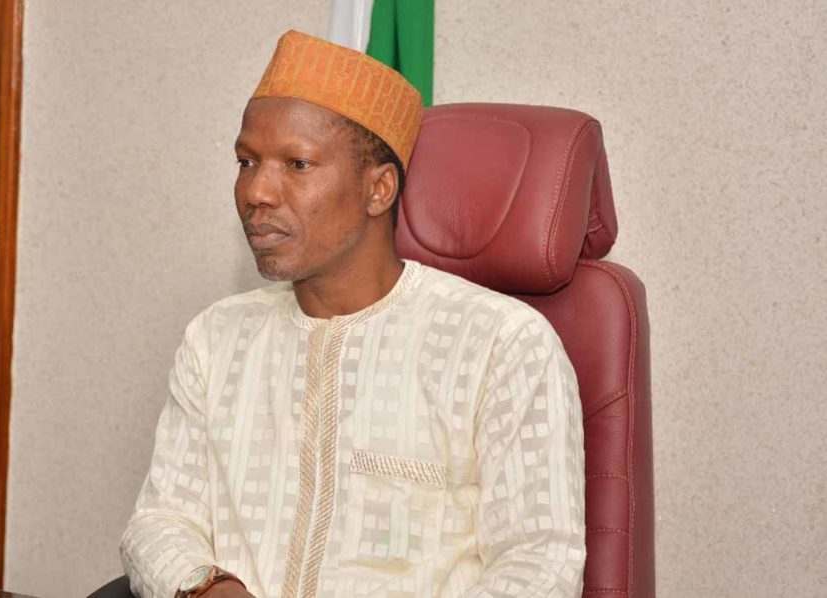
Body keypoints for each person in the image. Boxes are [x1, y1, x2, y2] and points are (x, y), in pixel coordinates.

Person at [119, 30, 585, 598]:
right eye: (246, 161)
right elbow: (159, 523)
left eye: (297, 164)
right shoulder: (217, 338)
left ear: (378, 189)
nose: (256, 191)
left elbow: (538, 569)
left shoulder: (500, 343)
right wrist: (210, 589)